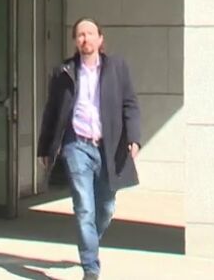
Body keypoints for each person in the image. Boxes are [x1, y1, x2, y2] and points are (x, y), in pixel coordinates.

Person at [37, 18, 142, 280]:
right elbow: (51, 111)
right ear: (75, 40)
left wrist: (134, 138)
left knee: (105, 208)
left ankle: (90, 242)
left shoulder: (117, 67)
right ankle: (91, 268)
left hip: (109, 148)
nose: (85, 38)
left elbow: (130, 104)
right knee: (84, 208)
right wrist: (44, 147)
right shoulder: (64, 71)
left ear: (100, 38)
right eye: (80, 34)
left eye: (90, 33)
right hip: (76, 146)